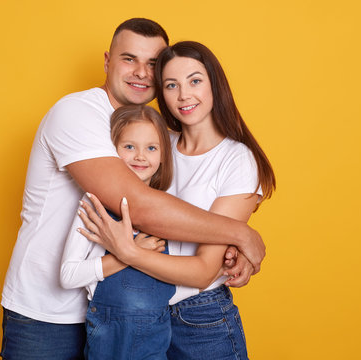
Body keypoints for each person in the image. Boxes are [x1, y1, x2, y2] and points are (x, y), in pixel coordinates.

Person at [0, 17, 265, 360]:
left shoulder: (145, 138)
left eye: (152, 64)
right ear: (108, 61)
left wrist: (228, 244)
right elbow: (139, 206)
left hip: (119, 311)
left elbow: (194, 206)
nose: (141, 72)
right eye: (129, 59)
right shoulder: (77, 113)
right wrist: (241, 235)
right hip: (48, 313)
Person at [77, 41, 276, 359]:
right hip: (142, 315)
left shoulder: (237, 160)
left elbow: (201, 271)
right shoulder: (154, 146)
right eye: (171, 85)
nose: (184, 95)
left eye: (195, 81)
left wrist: (127, 252)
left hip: (200, 317)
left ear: (215, 84)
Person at [61, 104, 175, 359]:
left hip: (157, 342)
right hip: (110, 342)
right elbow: (68, 276)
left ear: (163, 155)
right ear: (110, 151)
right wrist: (129, 253)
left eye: (151, 148)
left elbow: (182, 277)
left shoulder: (168, 209)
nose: (140, 156)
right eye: (129, 146)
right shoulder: (94, 204)